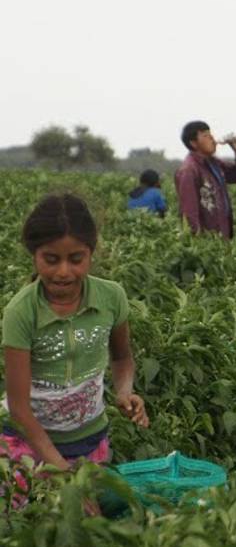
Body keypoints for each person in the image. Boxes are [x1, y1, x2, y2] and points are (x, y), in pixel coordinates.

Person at [2, 195, 150, 491]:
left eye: (76, 259)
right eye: (51, 259)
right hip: (27, 445)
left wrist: (124, 393)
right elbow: (19, 409)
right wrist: (61, 471)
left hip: (89, 439)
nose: (63, 272)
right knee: (29, 524)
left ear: (91, 253)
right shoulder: (21, 312)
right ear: (34, 254)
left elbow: (121, 358)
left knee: (85, 525)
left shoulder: (111, 297)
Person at [175, 121, 236, 239]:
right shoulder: (189, 170)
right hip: (207, 241)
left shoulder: (214, 163)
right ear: (194, 143)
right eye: (205, 135)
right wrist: (197, 241)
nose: (212, 138)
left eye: (210, 134)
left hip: (222, 235)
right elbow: (189, 211)